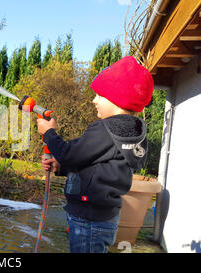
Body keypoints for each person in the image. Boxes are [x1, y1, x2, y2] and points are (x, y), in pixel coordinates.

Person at [36, 56, 154, 253]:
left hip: (88, 220)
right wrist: (60, 167)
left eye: (100, 95)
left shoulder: (107, 130)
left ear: (118, 99)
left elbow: (70, 154)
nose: (94, 100)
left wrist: (48, 133)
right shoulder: (126, 133)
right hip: (99, 217)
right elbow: (96, 166)